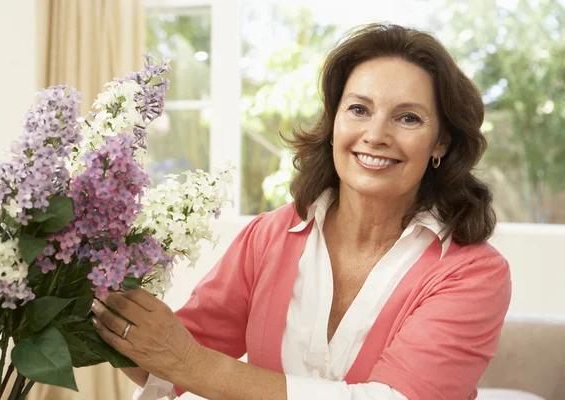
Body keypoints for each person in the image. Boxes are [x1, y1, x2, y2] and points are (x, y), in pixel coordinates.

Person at [91, 23, 511, 400]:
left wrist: (190, 364)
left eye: (408, 118)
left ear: (441, 142)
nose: (375, 135)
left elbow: (395, 398)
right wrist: (76, 291)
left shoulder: (472, 274)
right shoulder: (268, 237)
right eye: (359, 109)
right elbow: (166, 360)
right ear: (333, 122)